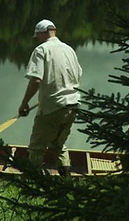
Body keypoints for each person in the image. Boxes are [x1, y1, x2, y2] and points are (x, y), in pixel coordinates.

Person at [18, 19, 83, 177]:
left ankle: (33, 182)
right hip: (73, 105)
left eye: (37, 36)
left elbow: (36, 80)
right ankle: (66, 179)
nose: (37, 39)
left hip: (52, 108)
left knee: (36, 147)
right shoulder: (69, 49)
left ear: (41, 33)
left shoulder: (41, 50)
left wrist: (25, 103)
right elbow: (78, 75)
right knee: (58, 145)